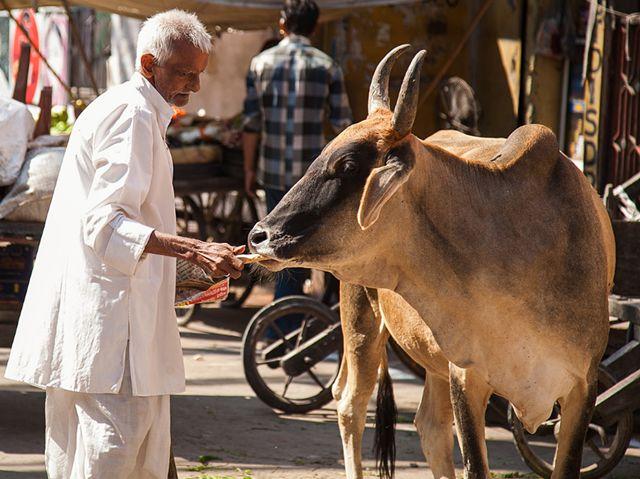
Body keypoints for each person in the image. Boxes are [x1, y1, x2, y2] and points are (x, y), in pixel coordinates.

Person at [5, 10, 244, 479]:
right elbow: (105, 223)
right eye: (184, 73)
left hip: (109, 325)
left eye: (199, 75)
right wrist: (194, 251)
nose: (194, 87)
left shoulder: (138, 110)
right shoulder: (132, 114)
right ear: (149, 63)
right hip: (113, 333)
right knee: (113, 454)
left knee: (108, 455)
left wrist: (186, 266)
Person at [243, 0, 352, 301]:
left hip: (273, 171)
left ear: (282, 24)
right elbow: (345, 127)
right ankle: (291, 322)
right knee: (303, 245)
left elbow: (251, 124)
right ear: (315, 27)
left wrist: (249, 170)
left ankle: (284, 324)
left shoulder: (260, 63)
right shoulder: (327, 66)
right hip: (312, 179)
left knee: (278, 247)